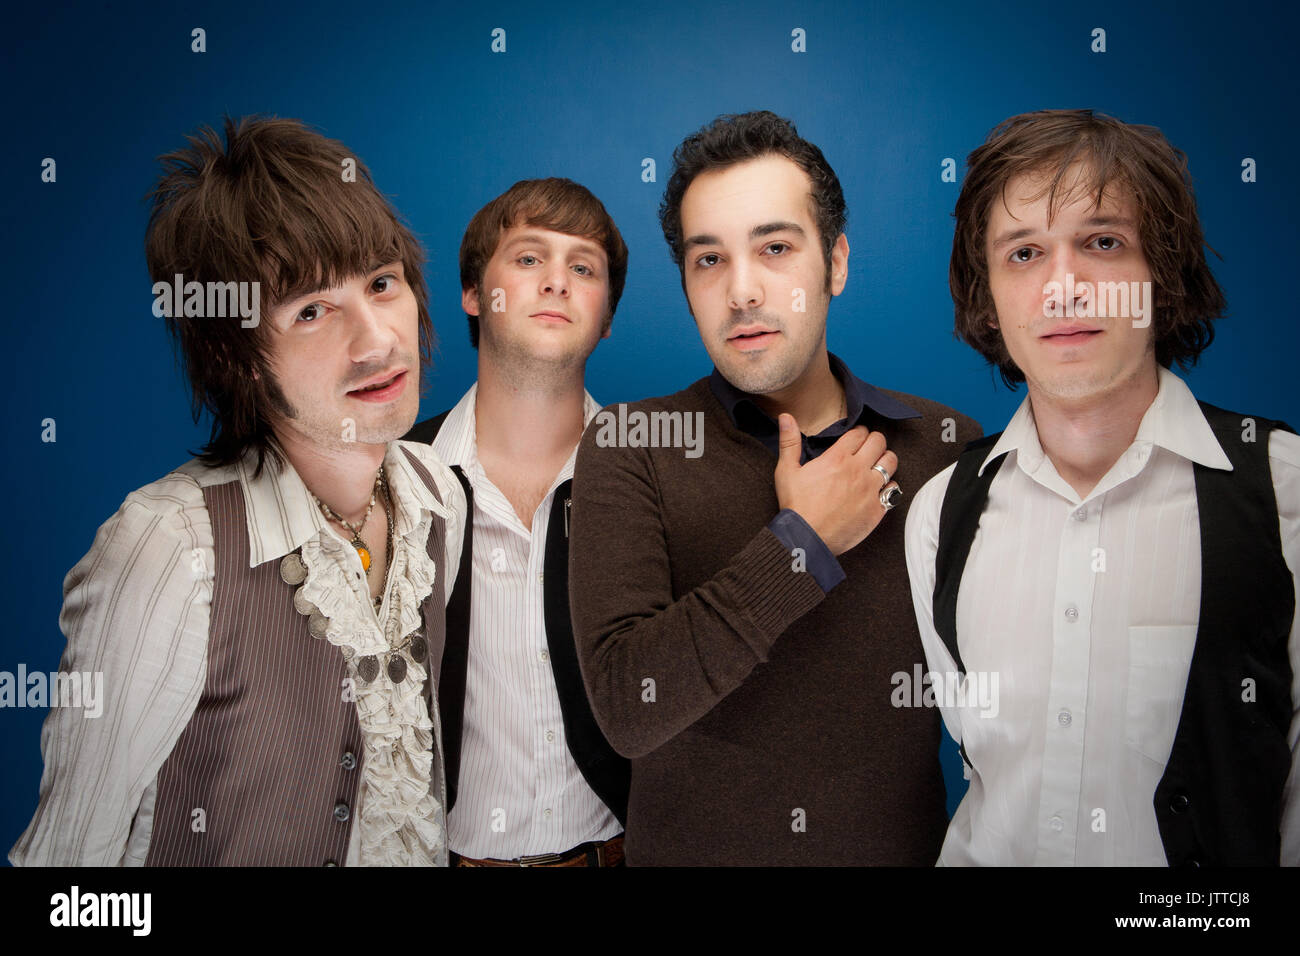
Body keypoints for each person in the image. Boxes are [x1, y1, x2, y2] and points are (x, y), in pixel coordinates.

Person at [9, 116, 466, 866]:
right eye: (312, 311)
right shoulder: (169, 547)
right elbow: (63, 873)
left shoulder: (438, 495)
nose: (377, 339)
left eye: (383, 284)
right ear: (240, 357)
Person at [567, 110, 982, 865]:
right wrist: (802, 546)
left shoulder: (948, 448)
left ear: (837, 263)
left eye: (776, 248)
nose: (742, 290)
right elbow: (628, 706)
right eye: (709, 260)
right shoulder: (631, 444)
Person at [905, 108, 1299, 865]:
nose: (1063, 287)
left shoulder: (1284, 496)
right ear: (988, 297)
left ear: (1163, 272)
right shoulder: (939, 517)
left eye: (1103, 242)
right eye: (1023, 252)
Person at [403, 178, 630, 866]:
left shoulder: (654, 480)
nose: (557, 281)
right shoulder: (392, 483)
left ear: (607, 315)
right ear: (474, 294)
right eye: (529, 259)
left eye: (583, 267)